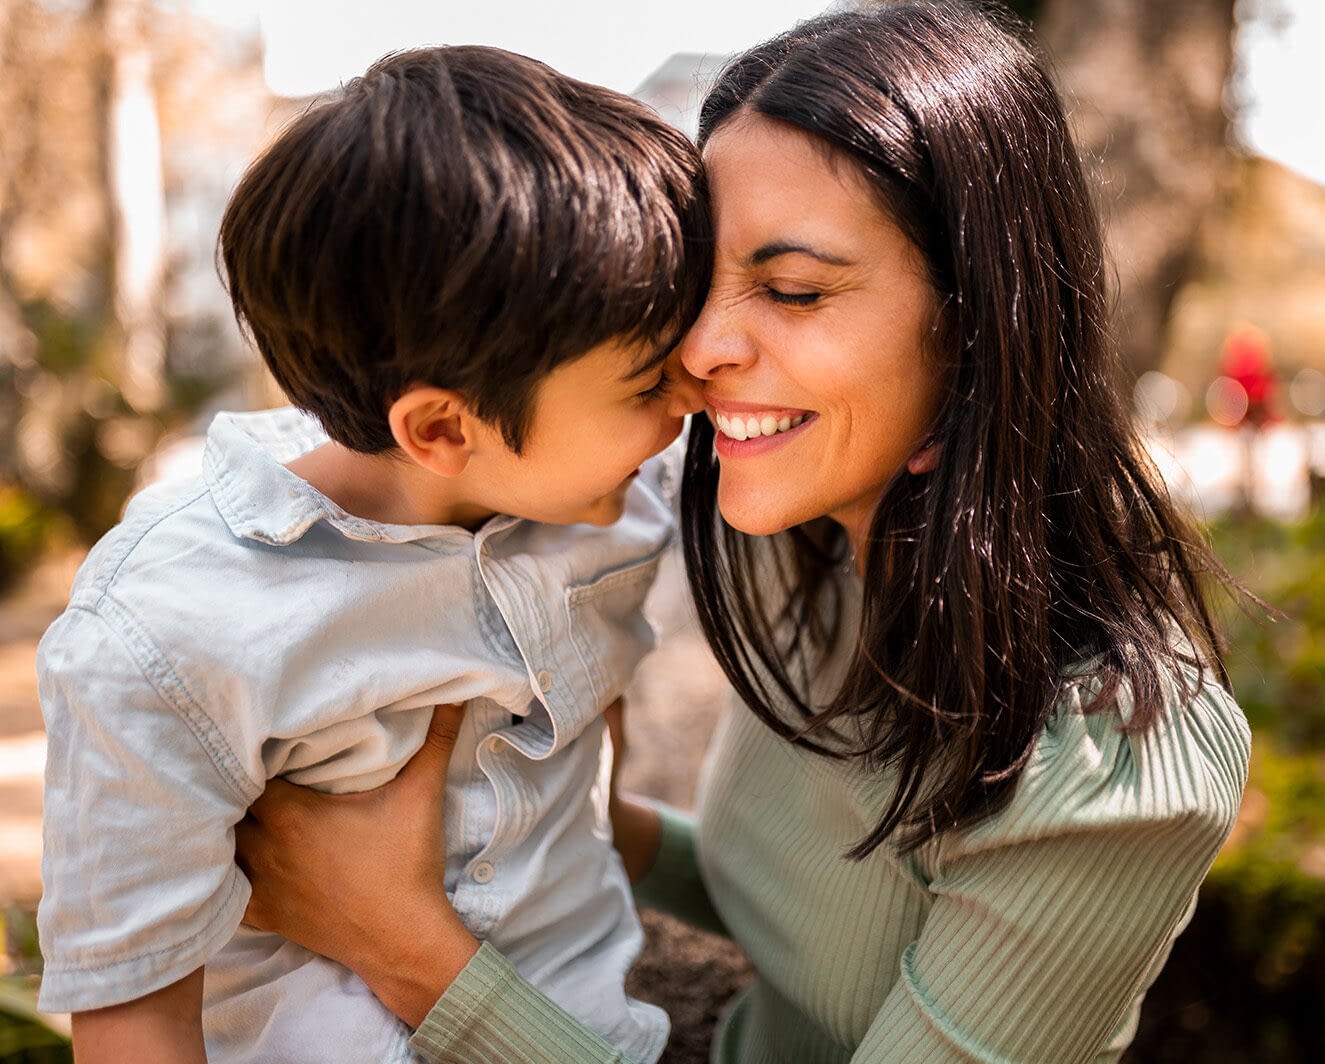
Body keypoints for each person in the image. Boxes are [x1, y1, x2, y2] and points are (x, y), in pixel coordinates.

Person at [234, 4, 1251, 1062]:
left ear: (974, 327)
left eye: (793, 289)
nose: (700, 348)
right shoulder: (802, 546)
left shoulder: (1116, 764)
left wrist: (406, 946)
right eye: (695, 282)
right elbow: (811, 910)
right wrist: (565, 821)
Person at [35, 45, 711, 1064]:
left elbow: (596, 790)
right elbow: (136, 1008)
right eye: (645, 382)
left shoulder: (605, 508)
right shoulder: (170, 634)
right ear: (441, 429)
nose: (689, 397)